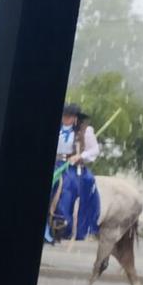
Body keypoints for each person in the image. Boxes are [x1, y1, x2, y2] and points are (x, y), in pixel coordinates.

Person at [47, 103, 100, 243]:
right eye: (64, 115)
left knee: (67, 186)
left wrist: (80, 156)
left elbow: (94, 150)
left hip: (70, 167)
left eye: (69, 116)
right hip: (54, 164)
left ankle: (61, 220)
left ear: (75, 118)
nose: (65, 118)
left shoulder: (85, 131)